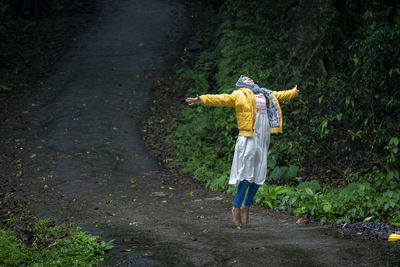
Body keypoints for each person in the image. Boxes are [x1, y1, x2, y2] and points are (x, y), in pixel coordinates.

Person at [185, 75, 299, 227]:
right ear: (240, 84)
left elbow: (280, 95)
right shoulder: (239, 94)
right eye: (245, 79)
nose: (248, 78)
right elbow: (221, 99)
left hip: (263, 137)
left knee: (260, 174)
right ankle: (235, 206)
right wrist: (202, 99)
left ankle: (246, 205)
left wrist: (293, 92)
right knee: (247, 173)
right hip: (249, 137)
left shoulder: (265, 93)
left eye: (249, 77)